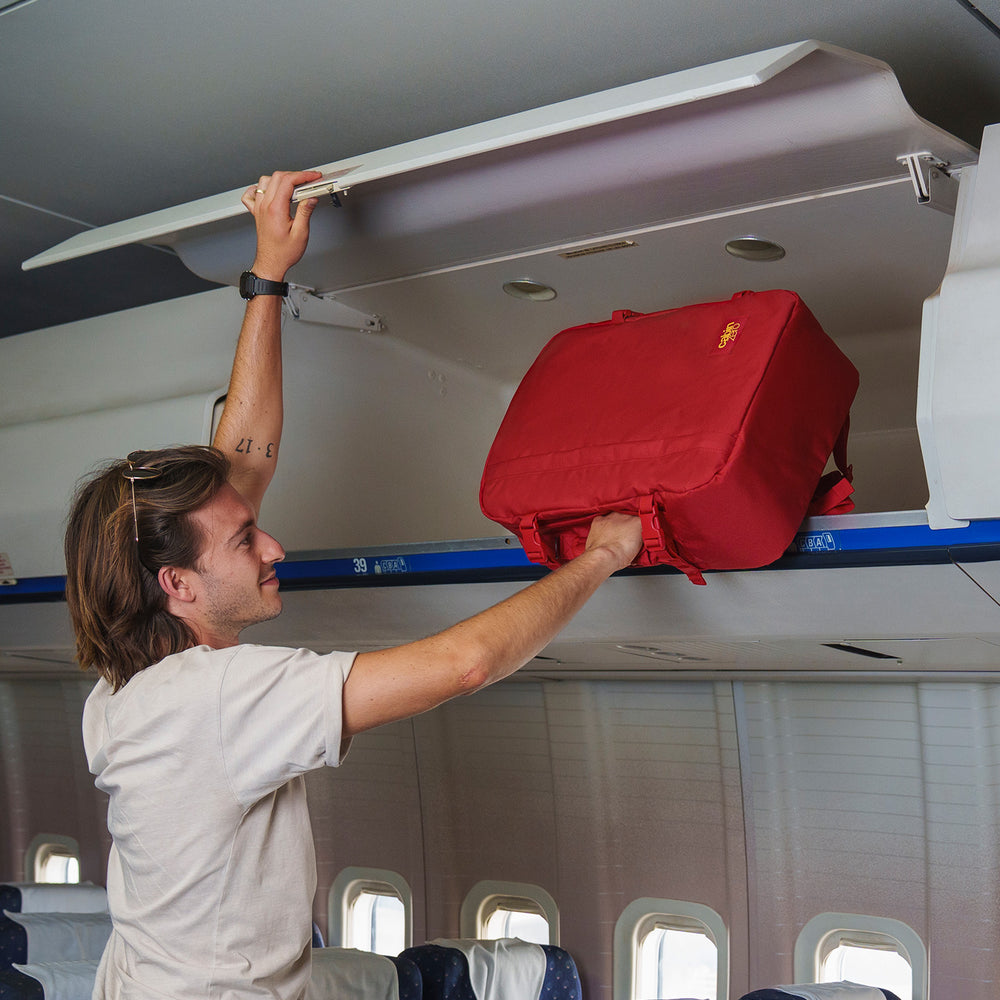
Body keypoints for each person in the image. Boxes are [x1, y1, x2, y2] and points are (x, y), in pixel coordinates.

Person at [65, 170, 642, 1000]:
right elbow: (465, 665)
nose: (275, 544)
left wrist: (269, 275)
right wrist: (601, 557)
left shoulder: (126, 689)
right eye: (245, 541)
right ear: (177, 584)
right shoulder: (214, 697)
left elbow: (242, 462)